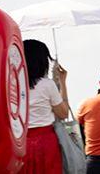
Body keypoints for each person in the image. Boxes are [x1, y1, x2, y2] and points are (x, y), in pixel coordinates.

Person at [20, 39, 70, 174]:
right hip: (45, 143)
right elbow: (64, 113)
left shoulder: (11, 85)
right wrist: (63, 83)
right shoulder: (47, 85)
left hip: (19, 144)